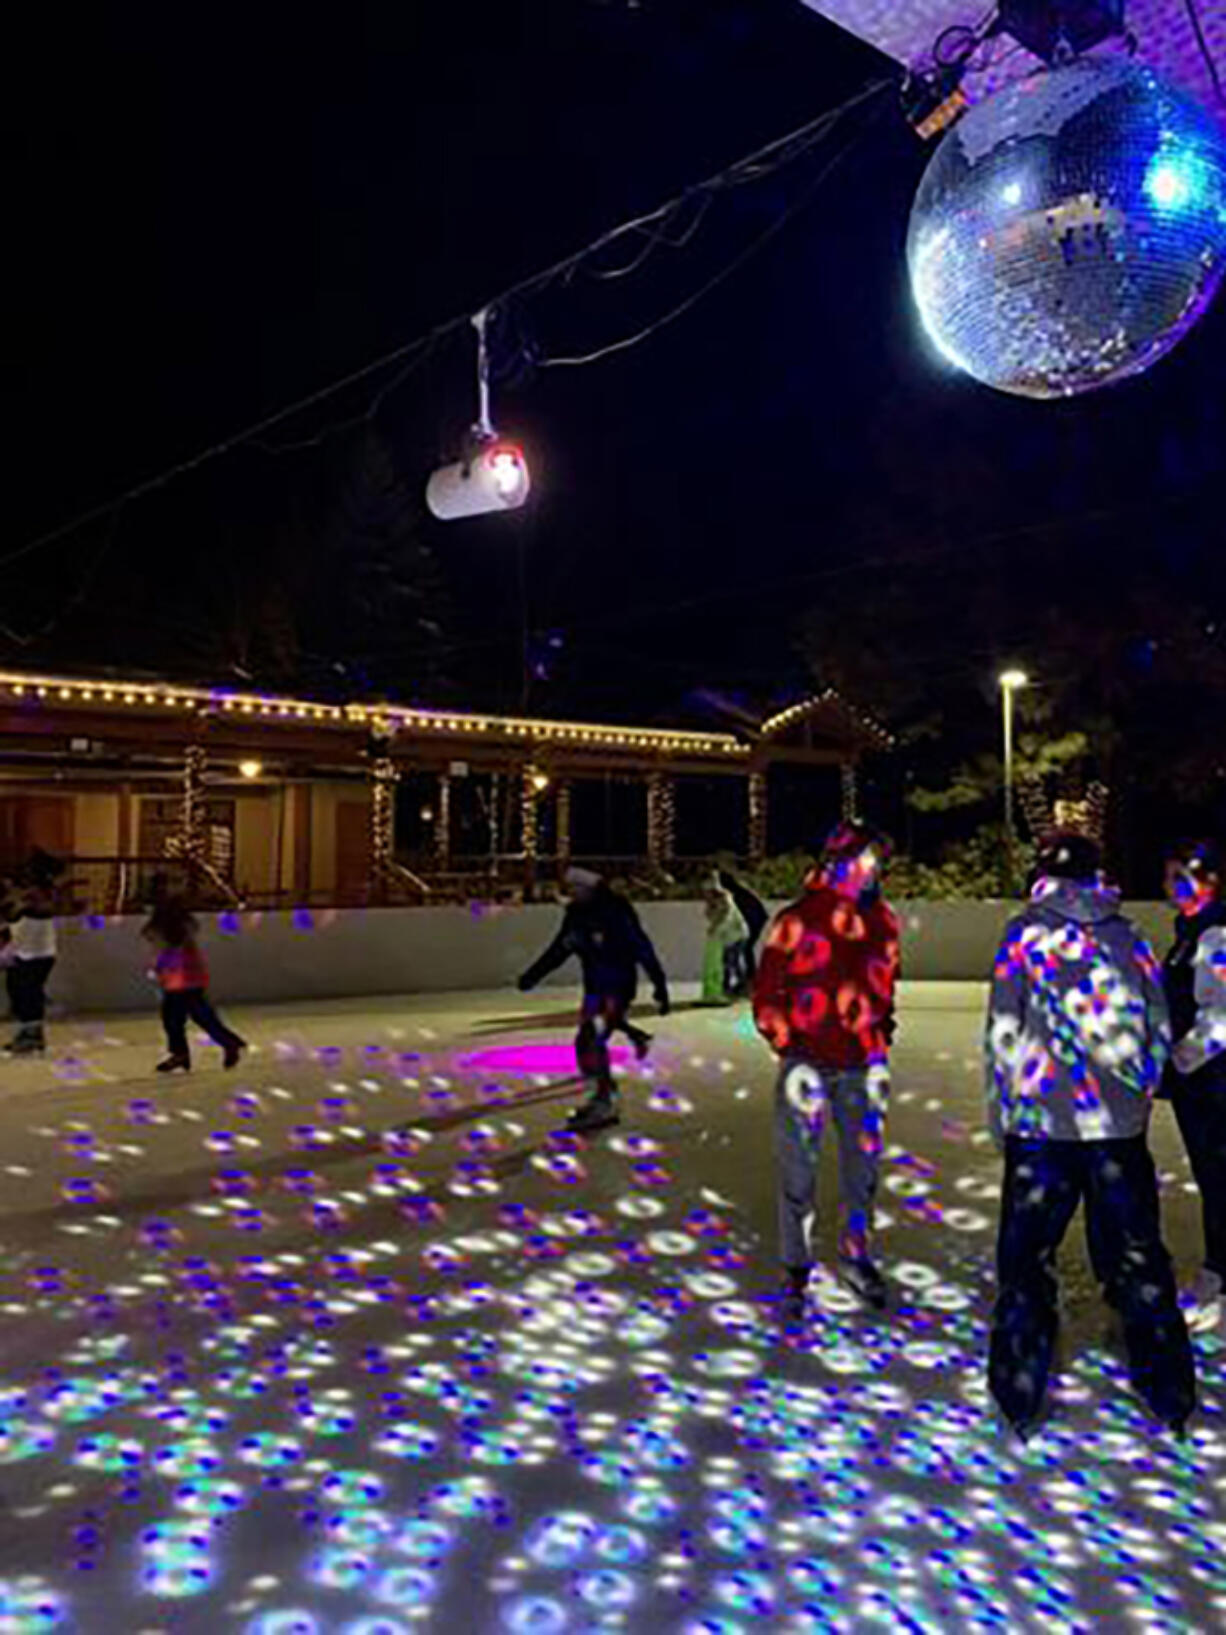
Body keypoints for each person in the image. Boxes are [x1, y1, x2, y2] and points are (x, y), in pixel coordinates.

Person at [985, 831, 1195, 1439]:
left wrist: (1004, 1109)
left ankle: (1019, 1391)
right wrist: (1137, 1089)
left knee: (1026, 1264)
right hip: (1114, 1132)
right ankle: (1168, 1388)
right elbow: (1157, 1021)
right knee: (1137, 1257)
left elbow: (1003, 1027)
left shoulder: (1022, 936)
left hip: (1041, 1130)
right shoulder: (1127, 937)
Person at [752, 821, 900, 1319]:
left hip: (864, 1064)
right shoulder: (796, 919)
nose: (872, 871)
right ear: (839, 863)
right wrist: (789, 1042)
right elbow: (767, 991)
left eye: (876, 862)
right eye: (864, 861)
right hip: (806, 1067)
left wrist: (881, 1028)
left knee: (863, 1175)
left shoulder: (882, 920)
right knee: (798, 1174)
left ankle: (857, 1256)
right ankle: (796, 1268)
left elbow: (885, 984)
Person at [518, 866, 670, 1133]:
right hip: (595, 988)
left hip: (619, 987)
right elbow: (559, 949)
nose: (572, 894)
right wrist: (533, 975)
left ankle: (606, 1098)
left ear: (590, 889)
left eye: (576, 889)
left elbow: (642, 947)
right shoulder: (576, 916)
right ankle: (602, 1083)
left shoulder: (616, 913)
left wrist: (659, 984)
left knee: (595, 1034)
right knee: (585, 1040)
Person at [1161, 839, 1226, 1332]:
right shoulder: (1190, 931)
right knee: (1211, 1174)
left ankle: (1218, 1274)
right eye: (1169, 877)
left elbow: (1221, 1014)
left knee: (1219, 1174)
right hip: (1197, 1082)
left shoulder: (1215, 932)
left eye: (1181, 876)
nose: (1171, 886)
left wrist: (1182, 1060)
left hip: (1213, 1081)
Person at [143, 893, 246, 1073]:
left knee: (179, 1017)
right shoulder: (180, 926)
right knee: (191, 1015)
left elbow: (169, 951)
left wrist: (159, 967)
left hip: (181, 978)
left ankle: (190, 1051)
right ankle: (223, 1044)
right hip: (187, 977)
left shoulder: (170, 929)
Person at [3, 851, 62, 1055]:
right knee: (18, 990)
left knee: (29, 993)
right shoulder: (31, 892)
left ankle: (32, 1035)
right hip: (24, 950)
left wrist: (19, 902)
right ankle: (28, 1032)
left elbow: (38, 908)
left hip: (38, 953)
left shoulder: (42, 893)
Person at [718, 867, 768, 997]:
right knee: (745, 950)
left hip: (753, 922)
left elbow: (740, 913)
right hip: (754, 921)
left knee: (741, 951)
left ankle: (748, 980)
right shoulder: (740, 891)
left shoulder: (737, 894)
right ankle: (749, 979)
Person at [701, 876, 749, 1005]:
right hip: (727, 936)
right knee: (726, 962)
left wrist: (715, 928)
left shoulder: (725, 900)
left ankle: (743, 988)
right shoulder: (712, 903)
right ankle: (725, 989)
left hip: (737, 935)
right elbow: (709, 916)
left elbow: (725, 917)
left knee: (732, 962)